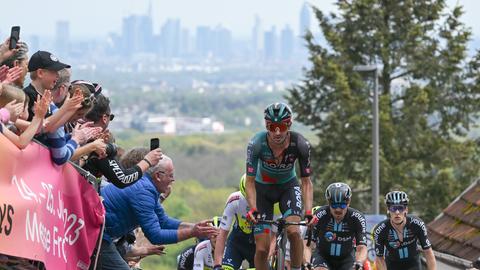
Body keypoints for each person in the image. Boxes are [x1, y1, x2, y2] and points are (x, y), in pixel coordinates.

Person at [98, 154, 217, 270]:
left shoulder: (148, 187)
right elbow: (155, 236)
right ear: (158, 176)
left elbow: (163, 221)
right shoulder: (144, 192)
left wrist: (197, 227)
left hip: (102, 233)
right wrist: (193, 232)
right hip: (98, 234)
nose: (173, 179)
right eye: (170, 175)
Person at [245, 102, 313, 270]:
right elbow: (250, 181)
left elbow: (306, 181)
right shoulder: (256, 144)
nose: (276, 132)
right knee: (262, 249)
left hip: (288, 188)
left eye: (281, 126)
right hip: (263, 190)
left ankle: (297, 268)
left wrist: (309, 211)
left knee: (294, 232)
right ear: (266, 125)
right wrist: (253, 208)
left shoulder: (300, 144)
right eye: (271, 126)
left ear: (289, 125)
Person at [373, 191, 436, 270]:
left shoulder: (417, 224)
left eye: (400, 208)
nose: (397, 212)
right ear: (388, 209)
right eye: (393, 208)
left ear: (406, 209)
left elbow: (428, 252)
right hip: (392, 264)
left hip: (413, 263)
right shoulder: (380, 230)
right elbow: (380, 259)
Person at [311, 182, 367, 270]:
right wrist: (306, 262)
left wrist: (359, 262)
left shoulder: (357, 217)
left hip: (347, 258)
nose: (338, 209)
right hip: (323, 256)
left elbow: (362, 248)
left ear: (349, 202)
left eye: (342, 205)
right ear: (328, 202)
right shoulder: (320, 214)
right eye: (334, 205)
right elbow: (308, 244)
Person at [213, 174, 256, 270]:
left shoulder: (267, 201)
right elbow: (222, 234)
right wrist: (217, 265)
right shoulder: (234, 200)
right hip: (237, 242)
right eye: (247, 197)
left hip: (258, 245)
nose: (250, 201)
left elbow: (272, 236)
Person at [23, 50, 70, 121]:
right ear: (40, 73)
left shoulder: (44, 96)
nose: (58, 75)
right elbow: (44, 128)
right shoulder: (28, 96)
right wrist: (66, 108)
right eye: (54, 71)